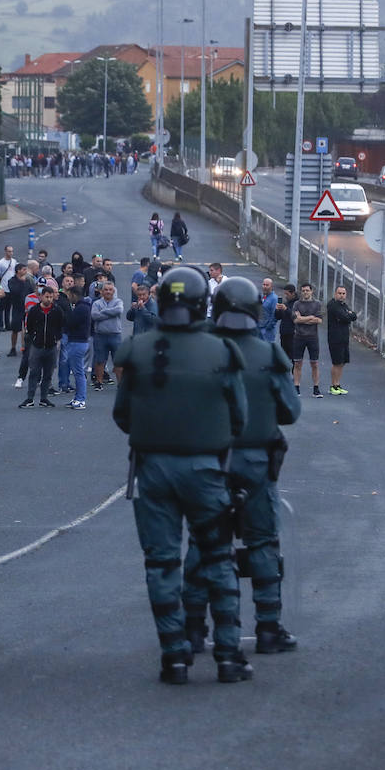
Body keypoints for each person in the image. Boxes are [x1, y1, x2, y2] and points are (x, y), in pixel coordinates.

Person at [112, 265, 251, 685]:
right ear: (199, 304)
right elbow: (239, 419)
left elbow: (122, 415)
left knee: (161, 563)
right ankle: (227, 656)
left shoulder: (137, 349)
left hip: (153, 470)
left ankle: (173, 656)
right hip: (207, 471)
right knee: (218, 560)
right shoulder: (223, 352)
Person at [181, 278, 302, 655]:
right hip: (255, 462)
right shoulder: (269, 356)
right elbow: (290, 412)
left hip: (208, 462)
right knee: (263, 542)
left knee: (203, 543)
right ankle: (268, 627)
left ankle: (194, 629)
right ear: (254, 310)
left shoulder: (197, 353)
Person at [19, 287, 63, 409]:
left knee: (48, 373)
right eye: (46, 296)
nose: (49, 299)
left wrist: (56, 339)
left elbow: (60, 326)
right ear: (41, 297)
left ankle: (44, 398)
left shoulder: (57, 310)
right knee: (34, 372)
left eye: (50, 297)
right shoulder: (34, 310)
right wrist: (34, 338)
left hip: (51, 346)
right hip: (37, 346)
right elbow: (30, 326)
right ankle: (30, 398)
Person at [289, 283, 324, 399]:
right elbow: (295, 320)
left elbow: (319, 320)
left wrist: (302, 318)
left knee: (314, 363)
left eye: (307, 290)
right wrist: (310, 317)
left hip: (312, 337)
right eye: (303, 290)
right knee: (298, 363)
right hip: (299, 337)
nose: (305, 292)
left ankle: (316, 389)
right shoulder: (297, 304)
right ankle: (296, 387)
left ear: (311, 291)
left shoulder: (317, 304)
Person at [90, 282, 124, 391]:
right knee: (100, 360)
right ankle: (99, 382)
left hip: (115, 335)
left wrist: (103, 312)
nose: (108, 292)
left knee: (118, 360)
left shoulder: (118, 301)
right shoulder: (96, 303)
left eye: (110, 290)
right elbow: (94, 315)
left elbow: (119, 310)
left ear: (114, 291)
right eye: (106, 290)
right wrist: (110, 313)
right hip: (100, 335)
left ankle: (121, 383)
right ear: (102, 292)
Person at [326, 285, 359, 395]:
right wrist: (348, 315)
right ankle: (333, 386)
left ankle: (338, 384)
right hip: (335, 338)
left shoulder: (344, 305)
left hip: (344, 337)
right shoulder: (332, 305)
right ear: (335, 294)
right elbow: (345, 317)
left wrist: (349, 315)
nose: (341, 295)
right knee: (337, 362)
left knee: (342, 362)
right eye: (339, 293)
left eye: (343, 293)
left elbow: (353, 316)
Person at [62, 288, 91, 410]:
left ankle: (81, 399)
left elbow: (71, 323)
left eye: (69, 295)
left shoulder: (81, 308)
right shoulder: (83, 307)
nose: (68, 298)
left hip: (77, 342)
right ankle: (78, 397)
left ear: (74, 295)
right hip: (79, 341)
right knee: (78, 371)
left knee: (78, 372)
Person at [277, 284, 297, 359]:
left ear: (293, 293)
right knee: (283, 357)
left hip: (293, 334)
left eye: (287, 294)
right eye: (284, 294)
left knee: (293, 358)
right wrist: (278, 310)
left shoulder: (297, 303)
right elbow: (278, 317)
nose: (285, 296)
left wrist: (286, 309)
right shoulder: (286, 303)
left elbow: (295, 316)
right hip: (284, 333)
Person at [259, 278, 279, 343]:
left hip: (268, 331)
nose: (265, 287)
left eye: (267, 285)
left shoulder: (274, 299)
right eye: (263, 284)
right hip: (259, 328)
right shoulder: (262, 296)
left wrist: (267, 328)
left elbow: (274, 315)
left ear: (271, 286)